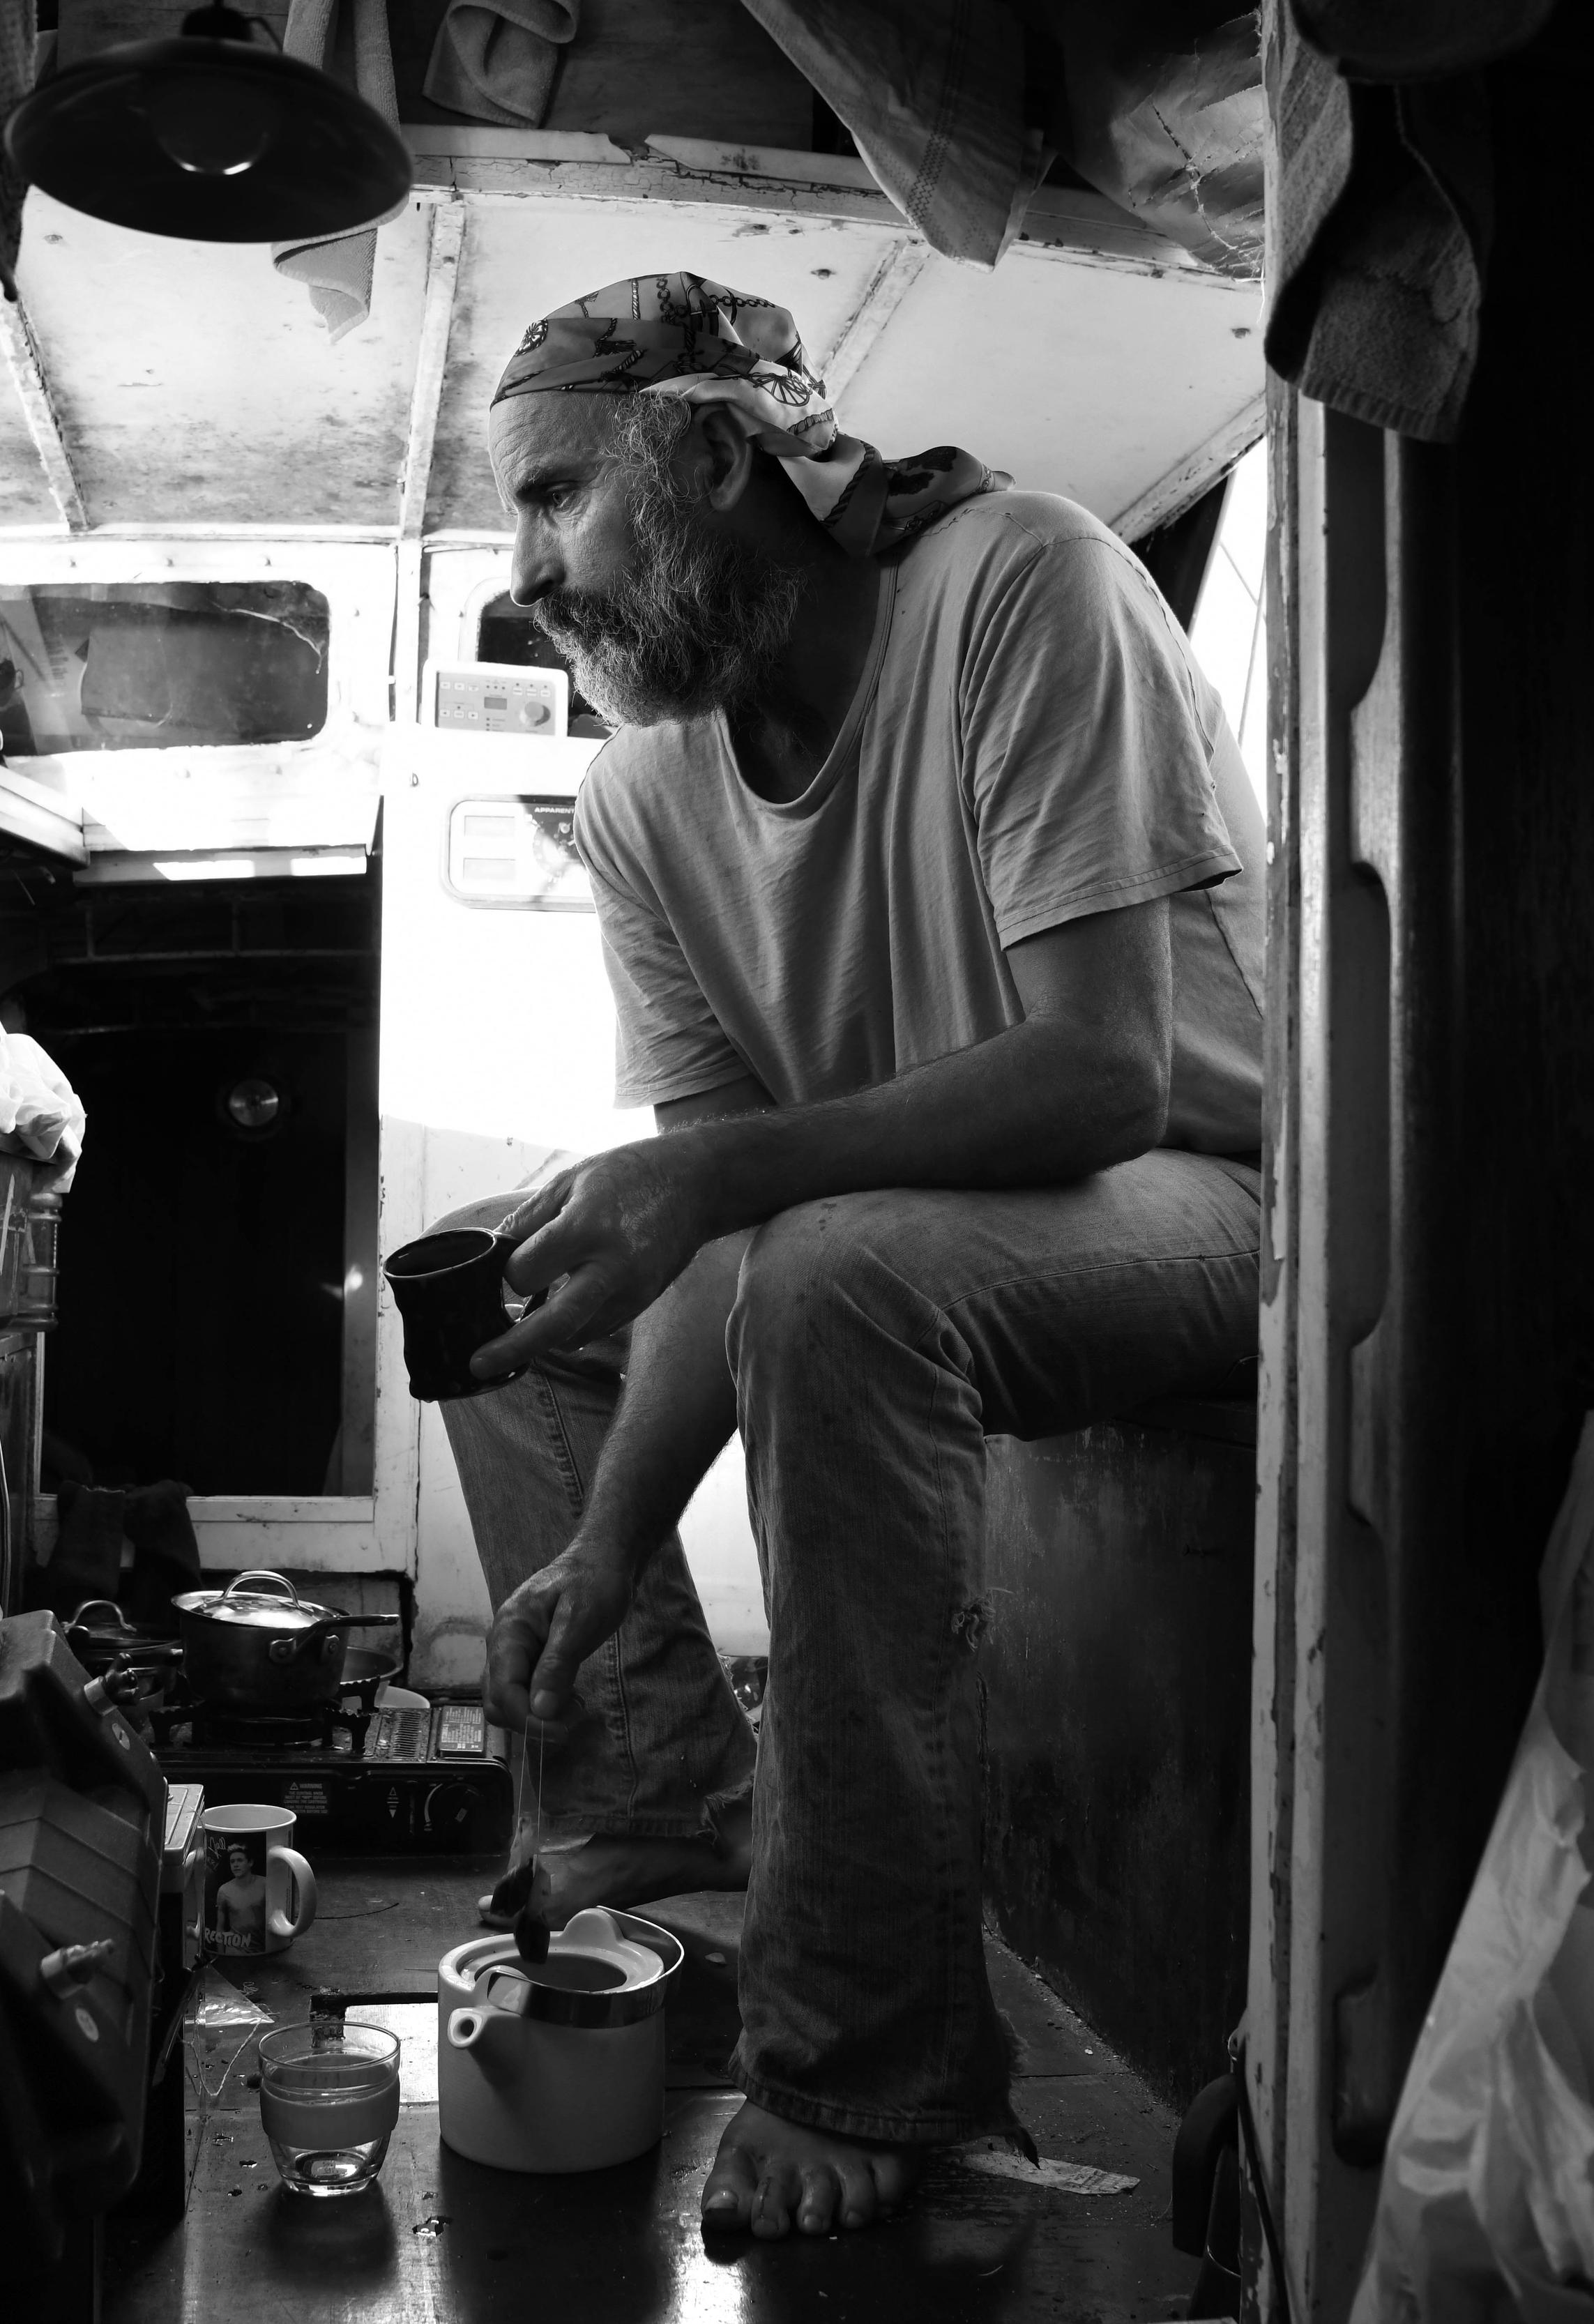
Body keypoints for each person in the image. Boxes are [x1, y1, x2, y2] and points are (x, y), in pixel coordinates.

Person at [430, 273, 1267, 2242]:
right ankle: (649, 1803)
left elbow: (1099, 1076)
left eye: (555, 501)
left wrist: (724, 1197)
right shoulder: (639, 796)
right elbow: (714, 1214)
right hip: (900, 1217)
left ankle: (867, 2063)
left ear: (718, 456)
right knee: (507, 1270)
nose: (529, 573)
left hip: (1208, 1196)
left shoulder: (1021, 584)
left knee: (831, 1270)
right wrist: (615, 1545)